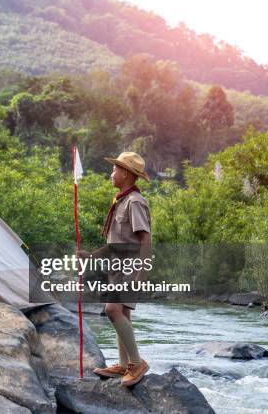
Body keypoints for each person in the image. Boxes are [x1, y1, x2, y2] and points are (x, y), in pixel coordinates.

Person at [80, 151, 152, 387]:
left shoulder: (135, 202)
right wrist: (91, 256)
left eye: (115, 169)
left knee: (112, 310)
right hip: (117, 267)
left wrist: (140, 273)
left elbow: (145, 239)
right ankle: (123, 365)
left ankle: (137, 363)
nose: (111, 173)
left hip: (130, 267)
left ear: (126, 173)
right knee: (124, 314)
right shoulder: (121, 200)